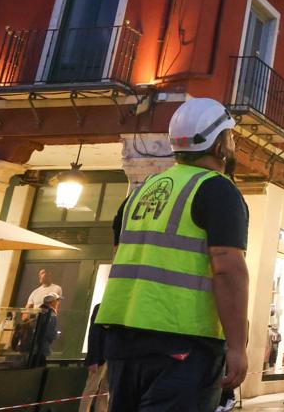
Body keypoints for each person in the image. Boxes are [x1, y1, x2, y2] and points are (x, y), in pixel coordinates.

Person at [97, 97, 250, 412]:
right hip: (184, 343)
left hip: (124, 344)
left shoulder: (143, 190)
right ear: (220, 146)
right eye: (230, 137)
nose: (233, 144)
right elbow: (228, 270)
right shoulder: (217, 189)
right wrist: (237, 346)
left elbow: (122, 256)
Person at [81, 302, 108, 412]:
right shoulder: (100, 307)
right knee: (91, 388)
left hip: (112, 357)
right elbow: (94, 334)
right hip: (100, 357)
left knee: (106, 390)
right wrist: (93, 359)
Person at [26, 293, 59, 367]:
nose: (58, 303)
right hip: (42, 347)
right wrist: (56, 334)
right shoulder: (51, 314)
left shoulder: (38, 311)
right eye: (57, 301)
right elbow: (50, 332)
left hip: (33, 347)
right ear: (52, 302)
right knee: (39, 366)